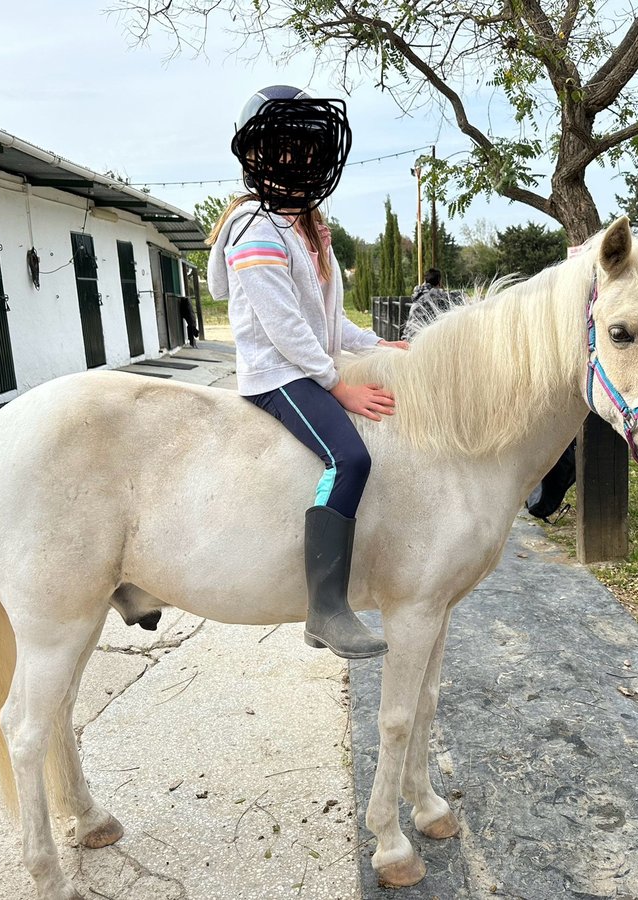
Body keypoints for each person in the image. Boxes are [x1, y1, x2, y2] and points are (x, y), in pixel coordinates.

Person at [206, 85, 408, 660]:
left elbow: (328, 321)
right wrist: (338, 385)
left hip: (301, 361)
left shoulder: (308, 226)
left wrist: (381, 345)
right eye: (284, 147)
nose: (298, 158)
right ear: (258, 156)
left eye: (307, 147)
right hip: (277, 374)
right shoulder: (255, 229)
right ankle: (325, 608)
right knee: (350, 456)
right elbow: (285, 330)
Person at [405, 267, 458, 338]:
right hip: (417, 338)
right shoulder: (435, 293)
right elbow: (457, 296)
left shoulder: (419, 292)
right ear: (439, 282)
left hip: (407, 334)